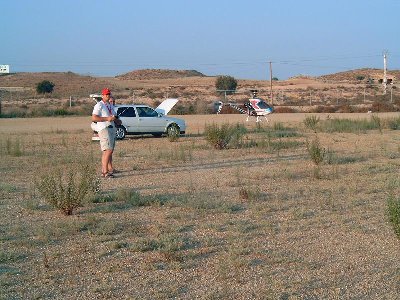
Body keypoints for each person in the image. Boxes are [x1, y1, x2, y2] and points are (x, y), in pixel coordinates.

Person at [92, 88, 119, 178]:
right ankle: (104, 172)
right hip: (104, 128)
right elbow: (94, 118)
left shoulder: (110, 105)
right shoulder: (99, 105)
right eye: (106, 94)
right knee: (108, 150)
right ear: (102, 95)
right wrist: (107, 119)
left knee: (109, 150)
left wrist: (117, 121)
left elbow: (114, 116)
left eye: (109, 94)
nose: (108, 96)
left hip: (111, 128)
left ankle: (107, 169)